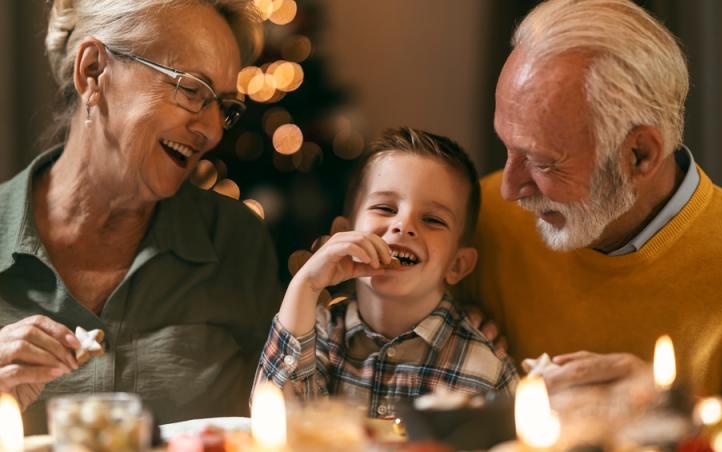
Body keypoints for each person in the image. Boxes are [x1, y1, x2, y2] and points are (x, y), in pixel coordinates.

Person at [463, 0, 722, 412]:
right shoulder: (479, 226)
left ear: (640, 154)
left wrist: (674, 412)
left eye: (543, 161)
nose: (510, 189)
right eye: (507, 148)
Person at [0, 0, 280, 433]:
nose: (213, 130)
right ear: (93, 72)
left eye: (223, 106)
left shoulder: (236, 240)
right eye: (192, 90)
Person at [254, 127, 518, 418]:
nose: (403, 226)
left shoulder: (485, 370)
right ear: (343, 235)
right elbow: (274, 425)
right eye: (384, 207)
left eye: (432, 219)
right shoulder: (313, 335)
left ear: (457, 265)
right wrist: (306, 284)